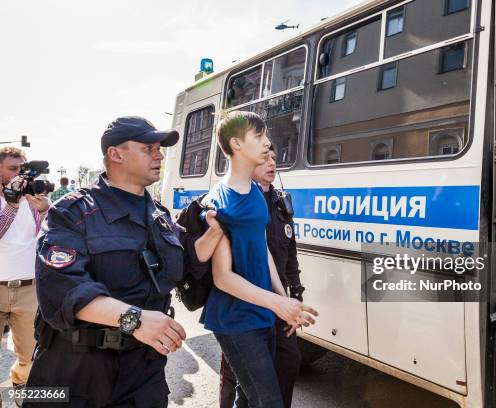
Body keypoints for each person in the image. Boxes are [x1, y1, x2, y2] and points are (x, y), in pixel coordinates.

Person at [24, 116, 223, 408]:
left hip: (142, 371)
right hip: (73, 369)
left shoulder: (159, 214)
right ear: (115, 154)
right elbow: (63, 290)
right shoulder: (71, 212)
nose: (159, 155)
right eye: (148, 148)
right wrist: (136, 319)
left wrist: (215, 232)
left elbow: (184, 262)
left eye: (160, 148)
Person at [204, 110, 318, 408]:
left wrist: (284, 301)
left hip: (262, 313)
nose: (267, 143)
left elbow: (263, 249)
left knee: (250, 397)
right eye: (259, 136)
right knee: (267, 401)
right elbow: (223, 277)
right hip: (234, 319)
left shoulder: (256, 192)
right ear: (236, 144)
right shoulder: (219, 202)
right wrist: (278, 303)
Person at [219, 145, 304, 408]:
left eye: (275, 159)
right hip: (245, 303)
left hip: (277, 302)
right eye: (265, 158)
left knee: (288, 361)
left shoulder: (280, 202)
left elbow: (289, 251)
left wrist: (294, 294)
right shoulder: (238, 200)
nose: (272, 163)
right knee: (239, 379)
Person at [0, 147, 49, 393]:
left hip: (29, 290)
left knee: (31, 357)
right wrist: (10, 204)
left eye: (22, 169)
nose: (20, 175)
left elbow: (46, 239)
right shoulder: (12, 202)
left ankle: (21, 386)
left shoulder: (31, 200)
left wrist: (45, 211)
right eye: (13, 169)